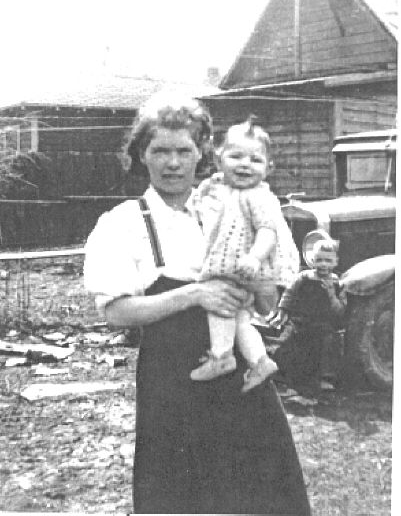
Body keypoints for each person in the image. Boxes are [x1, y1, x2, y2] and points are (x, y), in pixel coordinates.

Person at [84, 93, 311, 515]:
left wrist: (255, 282)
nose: (172, 163)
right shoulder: (124, 223)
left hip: (244, 379)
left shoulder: (237, 205)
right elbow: (115, 312)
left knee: (262, 497)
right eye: (160, 151)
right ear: (141, 155)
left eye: (184, 151)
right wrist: (194, 294)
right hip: (173, 384)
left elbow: (269, 305)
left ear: (203, 152)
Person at [190, 117, 279, 392]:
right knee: (240, 317)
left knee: (220, 304)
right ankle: (260, 361)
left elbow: (268, 231)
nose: (245, 165)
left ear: (269, 168)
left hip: (237, 267)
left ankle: (221, 356)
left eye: (255, 160)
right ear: (219, 161)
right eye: (236, 156)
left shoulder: (257, 196)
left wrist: (255, 257)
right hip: (232, 266)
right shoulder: (218, 187)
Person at [274, 238, 347, 393]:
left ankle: (325, 378)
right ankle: (284, 377)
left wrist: (331, 294)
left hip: (324, 326)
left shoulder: (337, 283)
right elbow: (289, 294)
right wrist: (282, 312)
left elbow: (340, 310)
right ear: (312, 260)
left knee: (328, 347)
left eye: (328, 260)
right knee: (287, 346)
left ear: (336, 262)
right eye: (319, 260)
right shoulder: (304, 277)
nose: (323, 264)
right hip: (301, 322)